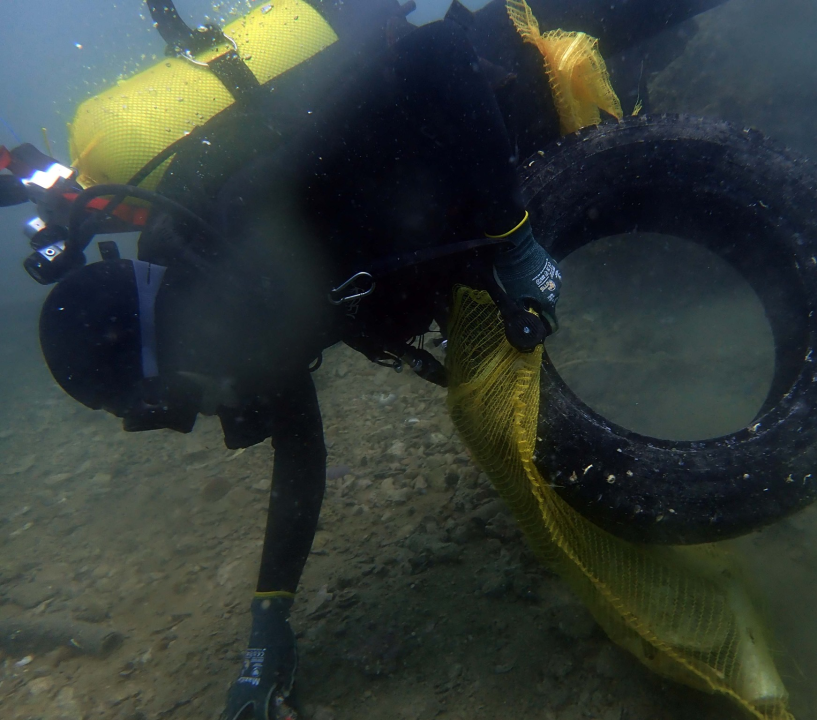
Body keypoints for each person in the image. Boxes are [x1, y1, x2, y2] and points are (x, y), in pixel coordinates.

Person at [4, 1, 725, 718]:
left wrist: (514, 242)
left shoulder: (245, 227)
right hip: (511, 147)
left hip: (528, 68)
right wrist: (267, 627)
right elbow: (300, 458)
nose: (173, 420)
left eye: (141, 408)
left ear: (147, 353)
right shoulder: (237, 314)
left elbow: (435, 54)